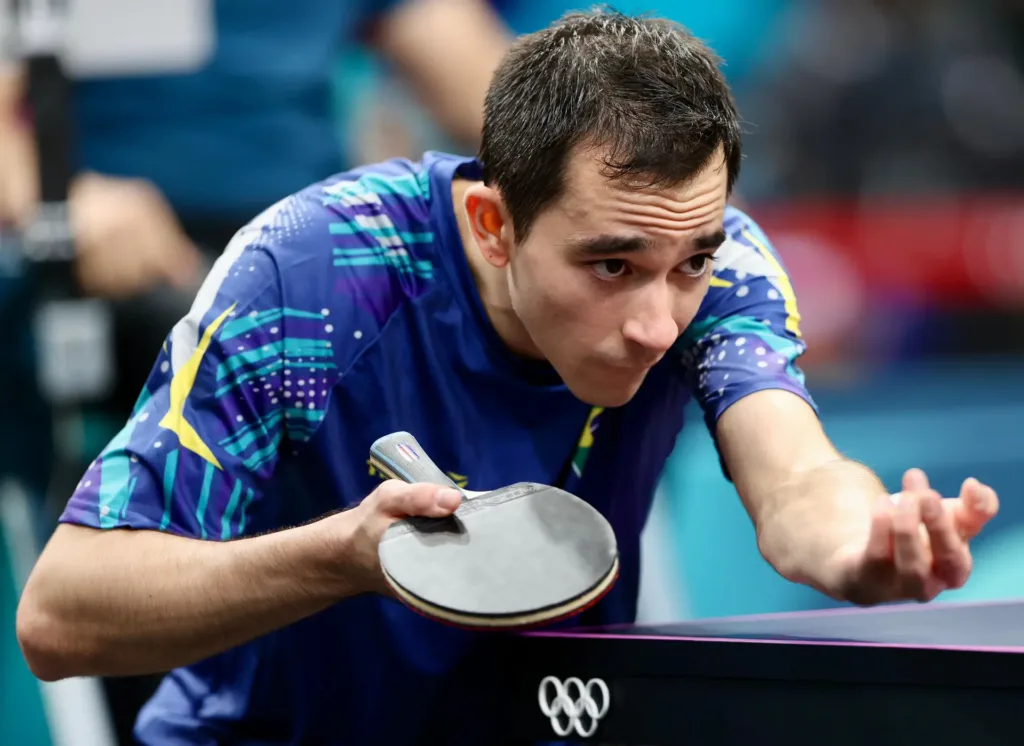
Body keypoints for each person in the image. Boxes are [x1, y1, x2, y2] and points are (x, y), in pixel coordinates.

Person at [16, 9, 1000, 745]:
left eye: (687, 263)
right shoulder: (306, 283)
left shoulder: (723, 264)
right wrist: (346, 556)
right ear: (494, 227)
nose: (656, 323)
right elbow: (61, 613)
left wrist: (866, 541)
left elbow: (792, 477)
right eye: (609, 267)